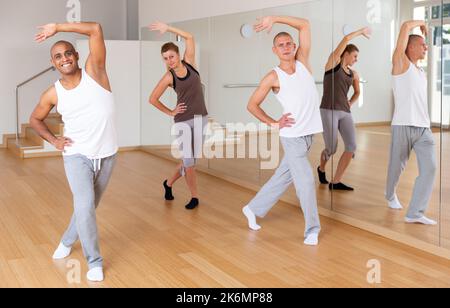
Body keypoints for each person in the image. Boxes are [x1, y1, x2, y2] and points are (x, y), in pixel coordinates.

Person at [30, 22, 118, 282]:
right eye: (58, 56)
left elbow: (96, 29)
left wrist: (57, 27)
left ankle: (67, 240)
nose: (64, 58)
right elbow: (35, 119)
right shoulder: (52, 94)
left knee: (87, 207)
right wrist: (54, 140)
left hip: (108, 154)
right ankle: (94, 261)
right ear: (53, 63)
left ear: (77, 55)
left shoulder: (96, 71)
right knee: (85, 206)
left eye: (68, 53)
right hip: (76, 155)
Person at [242, 16, 323, 246]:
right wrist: (273, 123)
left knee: (282, 177)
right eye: (281, 45)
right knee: (306, 180)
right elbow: (251, 105)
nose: (286, 47)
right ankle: (312, 230)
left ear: (295, 46)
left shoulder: (303, 62)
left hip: (308, 135)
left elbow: (305, 24)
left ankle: (252, 208)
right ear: (274, 50)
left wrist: (275, 19)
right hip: (292, 137)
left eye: (289, 43)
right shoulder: (272, 77)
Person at [149, 22, 208, 210]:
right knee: (190, 163)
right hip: (183, 121)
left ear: (178, 54)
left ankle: (168, 183)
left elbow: (189, 37)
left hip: (201, 118)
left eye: (171, 56)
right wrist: (171, 112)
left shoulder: (190, 63)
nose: (169, 60)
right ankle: (194, 197)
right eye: (165, 59)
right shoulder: (169, 77)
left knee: (189, 161)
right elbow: (152, 99)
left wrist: (168, 28)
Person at [386, 20, 437, 225]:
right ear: (410, 46)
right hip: (403, 125)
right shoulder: (400, 64)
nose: (426, 47)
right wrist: (421, 23)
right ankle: (390, 195)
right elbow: (406, 25)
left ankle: (414, 213)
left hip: (424, 128)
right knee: (396, 167)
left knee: (430, 168)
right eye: (422, 44)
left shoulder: (421, 72)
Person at [318, 27, 371, 191]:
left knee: (351, 146)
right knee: (331, 148)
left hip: (345, 112)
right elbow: (347, 38)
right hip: (328, 110)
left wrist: (350, 102)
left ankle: (336, 181)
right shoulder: (332, 64)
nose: (356, 59)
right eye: (355, 56)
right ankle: (321, 169)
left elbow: (357, 92)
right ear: (346, 54)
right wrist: (361, 31)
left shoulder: (354, 74)